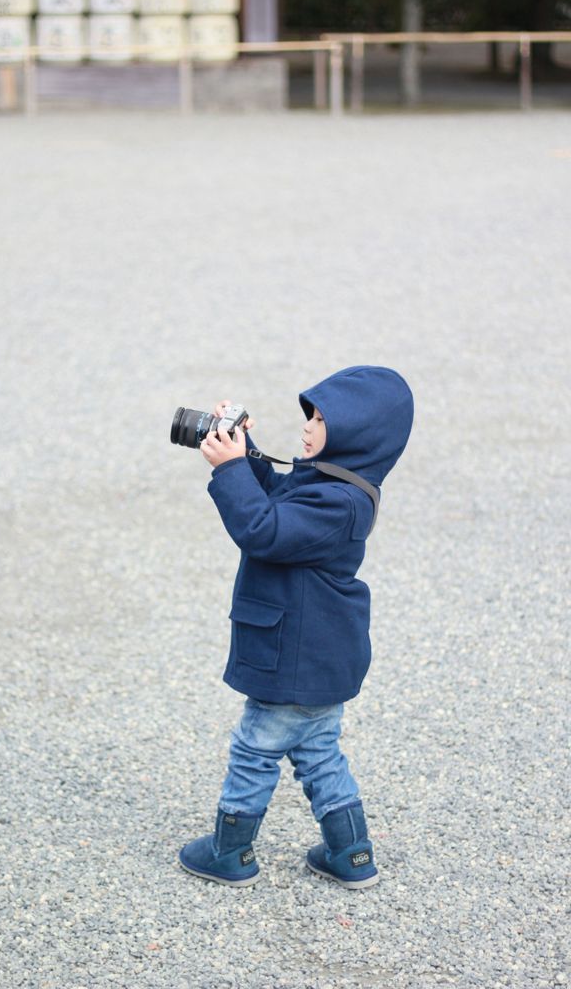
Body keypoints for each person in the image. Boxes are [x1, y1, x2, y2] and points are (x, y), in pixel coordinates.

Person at [178, 366, 414, 889]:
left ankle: (230, 851)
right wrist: (247, 452)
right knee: (319, 751)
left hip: (294, 654)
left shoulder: (338, 501)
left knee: (254, 750)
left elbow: (263, 530)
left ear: (358, 433)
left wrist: (230, 471)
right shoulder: (335, 483)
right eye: (309, 413)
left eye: (322, 419)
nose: (307, 426)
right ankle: (351, 854)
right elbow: (280, 501)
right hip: (321, 654)